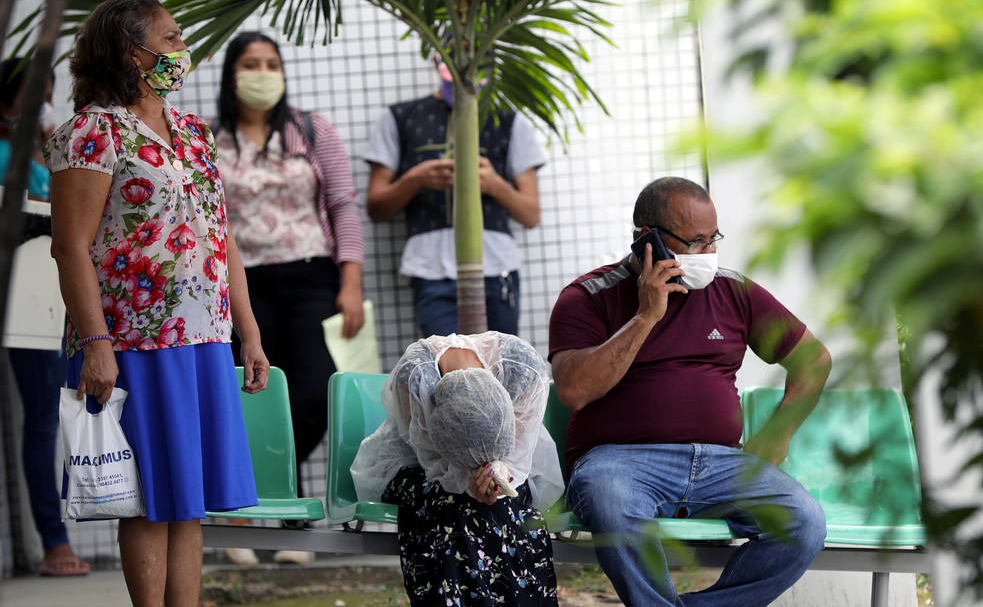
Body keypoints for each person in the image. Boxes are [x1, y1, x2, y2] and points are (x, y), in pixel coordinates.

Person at [44, 0, 268, 605]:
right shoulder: (90, 132)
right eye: (169, 39)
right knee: (145, 497)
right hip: (131, 341)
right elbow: (71, 248)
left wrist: (247, 333)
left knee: (186, 497)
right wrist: (96, 345)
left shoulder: (195, 133)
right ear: (129, 50)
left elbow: (222, 242)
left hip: (203, 337)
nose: (181, 51)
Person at [547, 176, 833, 606]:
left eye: (713, 239)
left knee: (803, 522)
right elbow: (573, 391)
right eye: (696, 242)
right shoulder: (587, 296)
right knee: (609, 500)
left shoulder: (733, 291)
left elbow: (814, 360)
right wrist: (645, 316)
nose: (709, 254)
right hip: (620, 462)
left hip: (723, 462)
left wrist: (779, 432)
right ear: (648, 240)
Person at [215, 31, 364, 566]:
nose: (263, 72)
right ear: (232, 74)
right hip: (241, 287)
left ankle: (272, 499)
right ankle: (260, 514)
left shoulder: (310, 129)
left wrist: (351, 284)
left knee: (314, 394)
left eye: (272, 63)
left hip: (311, 279)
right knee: (253, 394)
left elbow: (344, 206)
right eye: (251, 63)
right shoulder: (209, 140)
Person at [350, 331, 563, 606]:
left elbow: (517, 457)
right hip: (416, 464)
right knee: (454, 504)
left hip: (517, 463)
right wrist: (473, 484)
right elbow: (433, 460)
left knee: (505, 506)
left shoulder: (523, 368)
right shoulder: (414, 376)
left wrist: (495, 481)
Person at [362, 49, 545, 337]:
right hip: (430, 268)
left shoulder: (509, 121)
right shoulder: (400, 117)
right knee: (446, 371)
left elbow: (531, 214)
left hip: (496, 267)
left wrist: (493, 183)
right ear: (437, 60)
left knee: (500, 369)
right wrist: (414, 179)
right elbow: (375, 207)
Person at [0, 58, 91, 577]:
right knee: (41, 415)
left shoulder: (46, 141)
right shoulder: (4, 152)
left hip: (68, 295)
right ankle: (53, 540)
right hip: (29, 300)